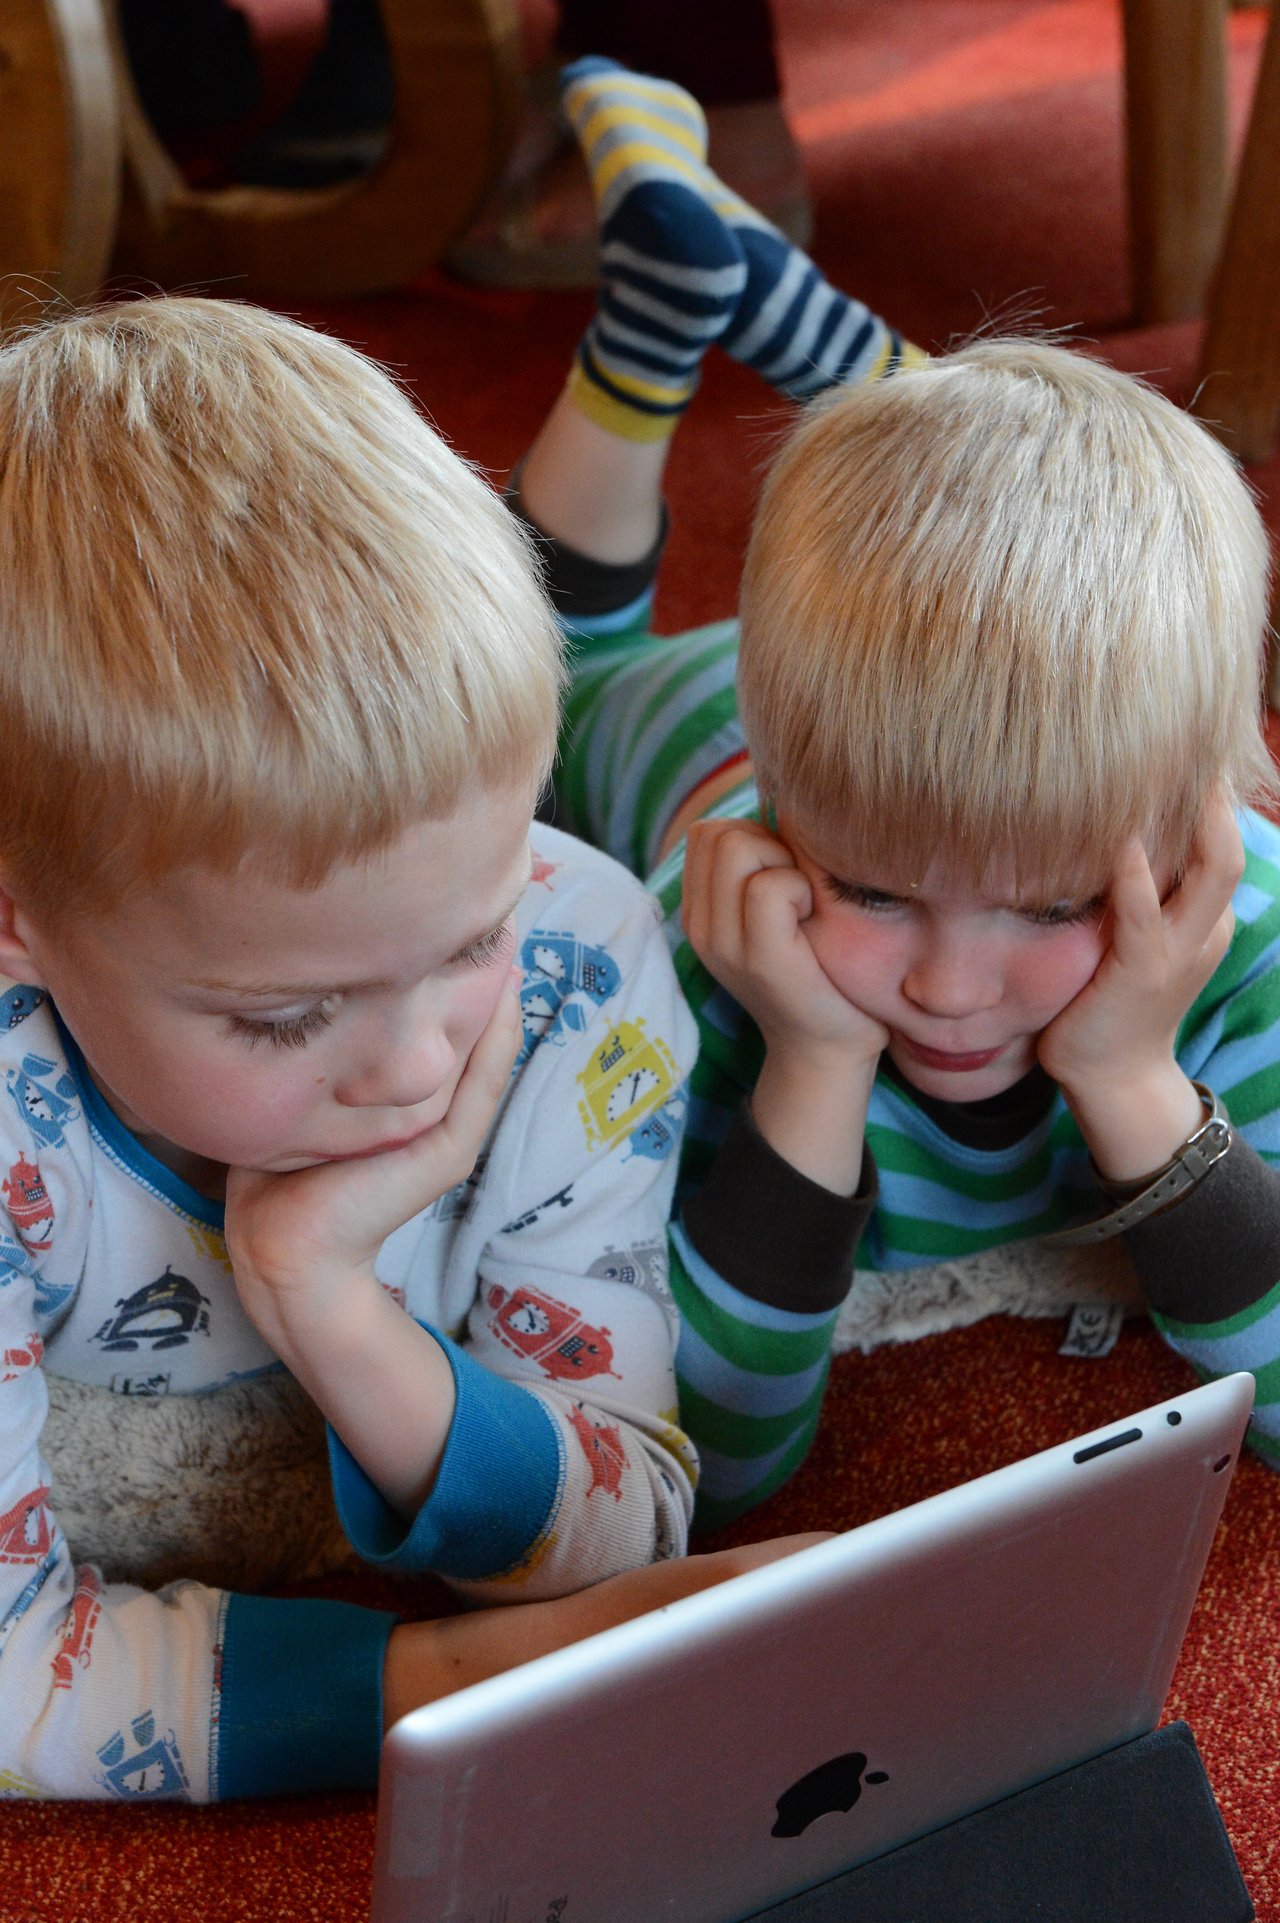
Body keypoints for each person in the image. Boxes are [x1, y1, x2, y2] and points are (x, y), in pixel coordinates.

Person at [0, 295, 814, 1801]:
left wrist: (326, 1301)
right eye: (283, 1015)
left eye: (464, 942)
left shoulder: (575, 959)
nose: (414, 1067)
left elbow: (630, 1510)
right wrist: (443, 1682)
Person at [504, 59, 1280, 1529]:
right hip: (682, 718)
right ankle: (653, 332)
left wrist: (1132, 1079)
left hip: (900, 725)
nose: (947, 985)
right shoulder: (684, 949)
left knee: (984, 496)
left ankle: (773, 311)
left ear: (1193, 832)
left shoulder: (1238, 932)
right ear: (792, 820)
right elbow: (710, 1464)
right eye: (868, 892)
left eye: (1051, 904)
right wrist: (806, 1059)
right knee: (530, 682)